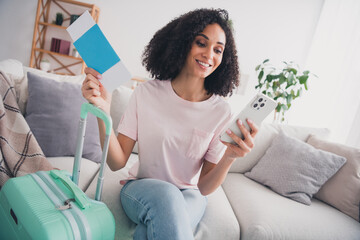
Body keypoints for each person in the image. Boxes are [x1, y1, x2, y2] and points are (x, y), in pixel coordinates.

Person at [82, 8, 258, 240]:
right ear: (183, 42)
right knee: (166, 196)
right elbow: (117, 162)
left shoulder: (220, 111)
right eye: (201, 43)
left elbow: (204, 188)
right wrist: (103, 111)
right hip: (141, 188)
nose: (209, 55)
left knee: (152, 229)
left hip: (190, 195)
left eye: (218, 50)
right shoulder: (146, 93)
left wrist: (229, 157)